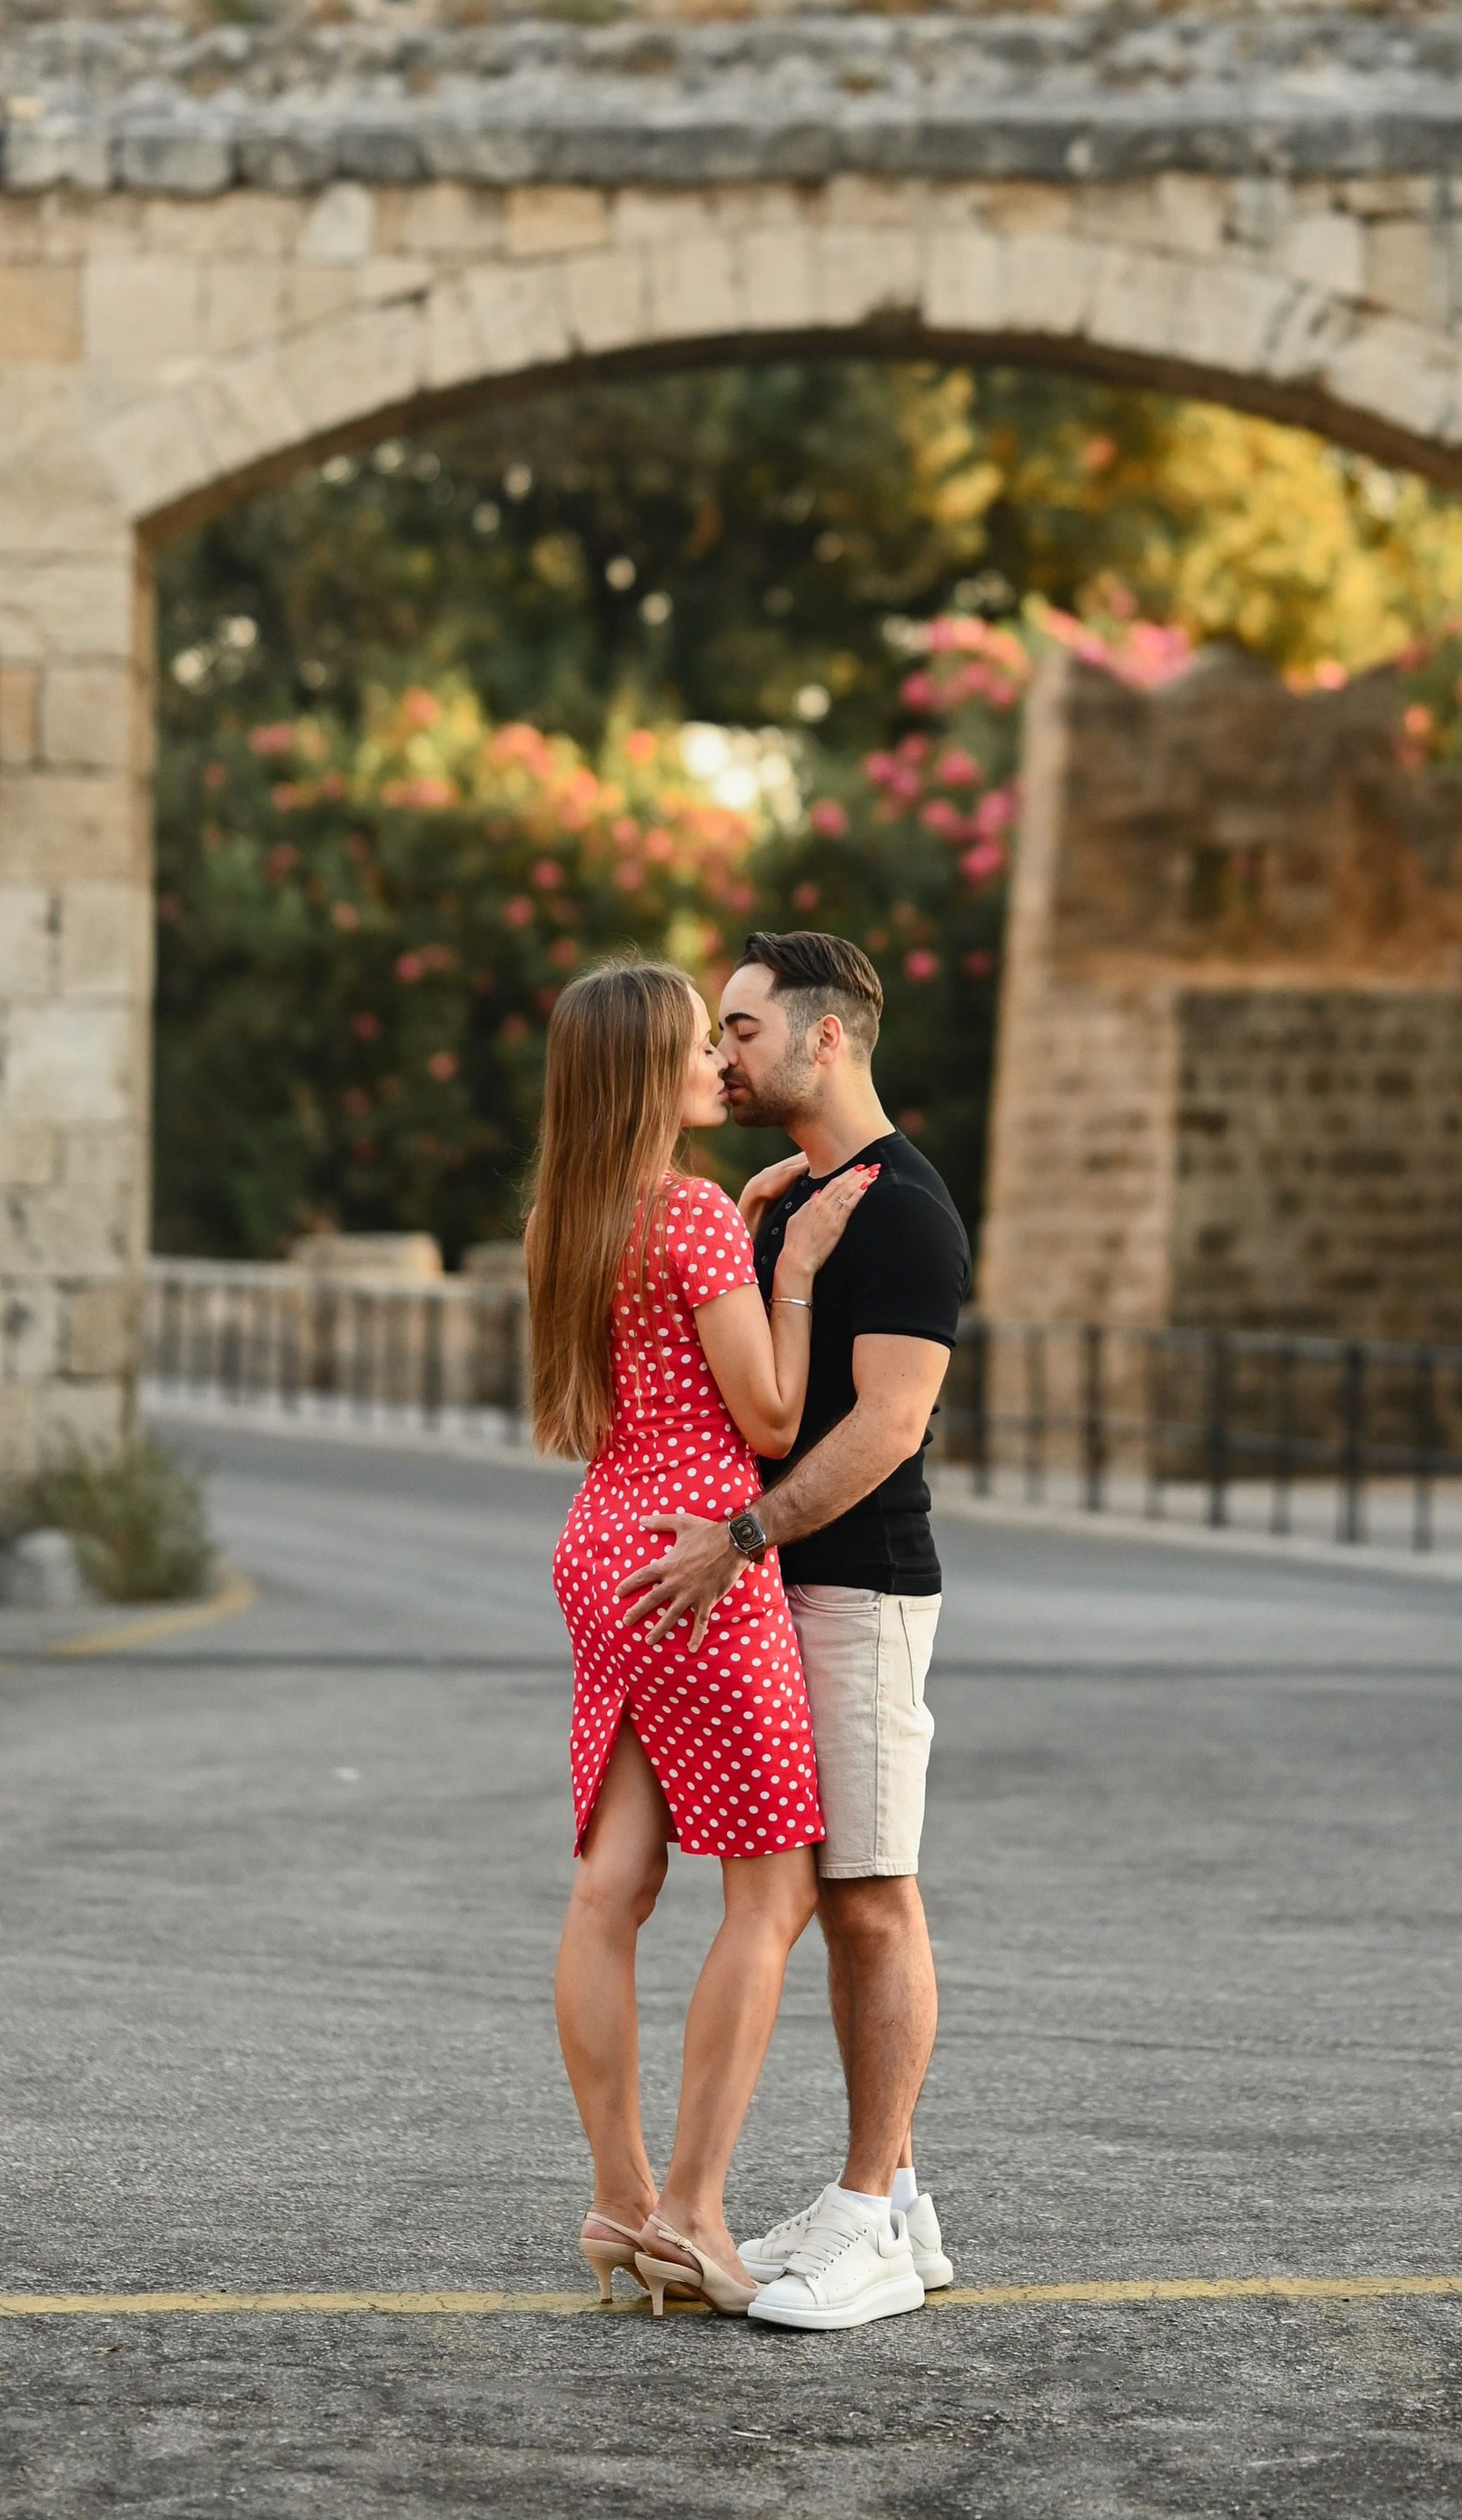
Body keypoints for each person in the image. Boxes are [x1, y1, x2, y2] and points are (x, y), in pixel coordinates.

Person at [616, 928, 970, 2336]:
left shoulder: (902, 1213)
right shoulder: (797, 1200)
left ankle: (870, 2212)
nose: (726, 1052)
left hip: (860, 1589)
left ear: (829, 1038)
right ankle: (899, 2203)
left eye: (746, 1028)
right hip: (784, 1590)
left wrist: (747, 1534)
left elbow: (887, 1426)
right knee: (821, 1897)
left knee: (871, 1893)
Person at [532, 956, 876, 2318]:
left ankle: (618, 2201)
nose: (715, 1067)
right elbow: (776, 1418)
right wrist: (787, 1265)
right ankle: (694, 2209)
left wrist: (730, 1230)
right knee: (773, 1894)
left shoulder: (570, 1217)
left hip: (599, 1548)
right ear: (641, 1074)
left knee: (610, 1887)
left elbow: (632, 1368)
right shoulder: (686, 1217)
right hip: (696, 1564)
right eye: (691, 1047)